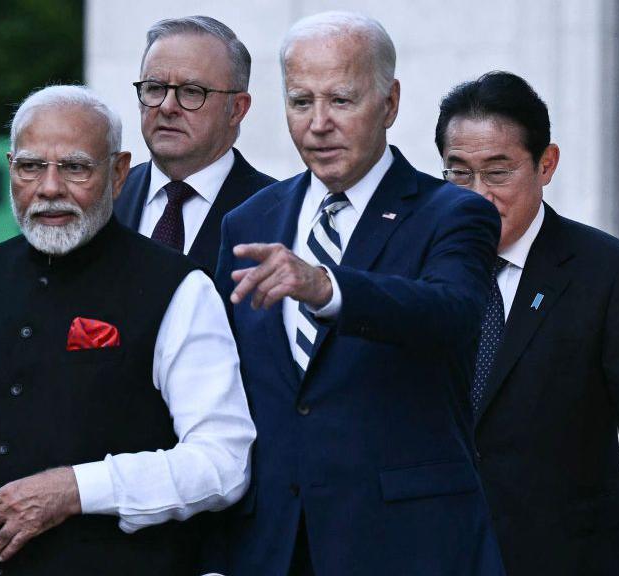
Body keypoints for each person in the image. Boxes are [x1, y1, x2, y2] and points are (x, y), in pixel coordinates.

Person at [0, 85, 255, 576]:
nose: (50, 188)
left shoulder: (178, 288)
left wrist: (76, 490)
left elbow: (222, 463)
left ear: (118, 173)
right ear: (10, 168)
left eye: (75, 167)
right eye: (31, 167)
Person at [214, 12, 505, 575]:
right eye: (301, 102)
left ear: (390, 104)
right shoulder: (248, 222)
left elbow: (453, 313)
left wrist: (328, 287)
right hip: (271, 545)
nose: (318, 124)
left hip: (406, 545)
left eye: (341, 101)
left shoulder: (454, 212)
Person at [436, 71, 619, 576]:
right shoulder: (419, 266)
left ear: (545, 164)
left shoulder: (609, 274)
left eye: (498, 173)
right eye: (459, 174)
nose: (476, 195)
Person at [114, 15, 276, 273]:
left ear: (236, 109)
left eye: (191, 91)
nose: (167, 107)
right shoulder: (107, 197)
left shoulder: (277, 213)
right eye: (155, 88)